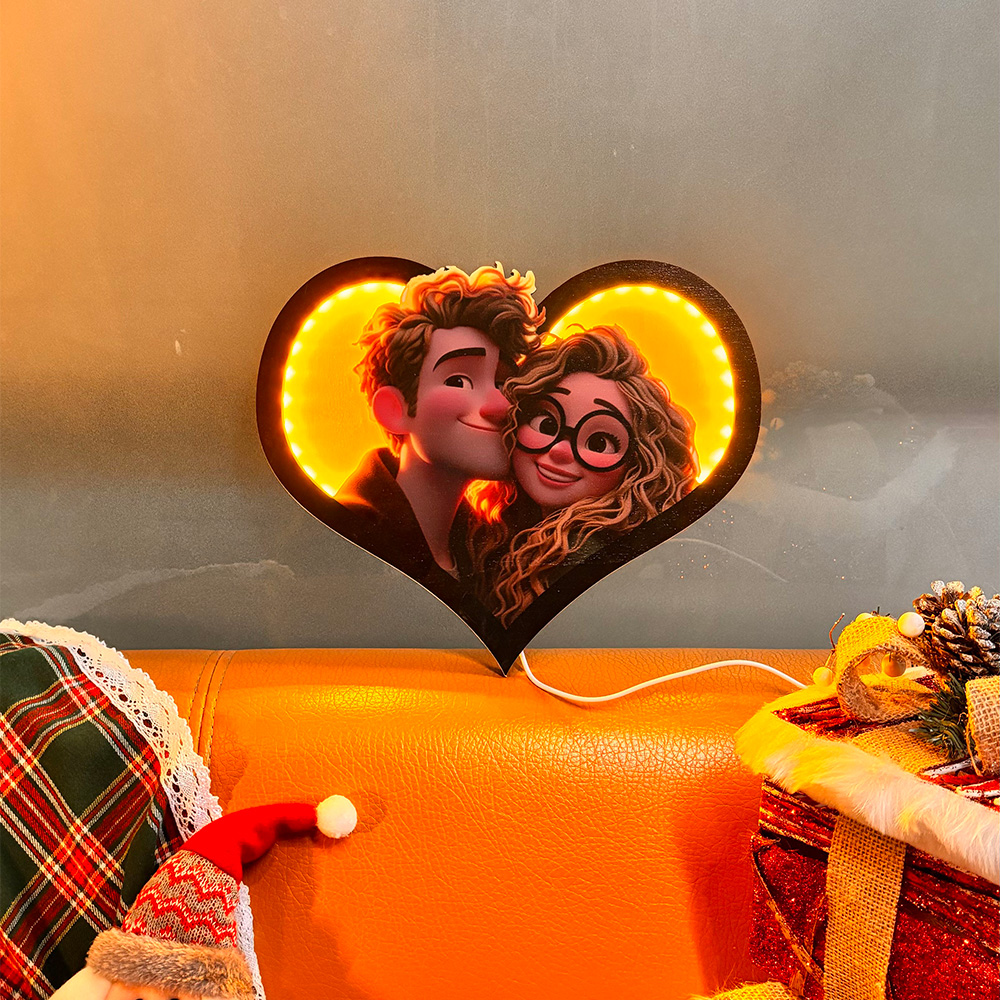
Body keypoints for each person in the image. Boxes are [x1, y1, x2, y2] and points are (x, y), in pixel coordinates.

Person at [471, 325, 699, 625]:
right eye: (546, 424)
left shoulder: (583, 554)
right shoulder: (501, 533)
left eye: (599, 442)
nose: (561, 451)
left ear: (636, 464)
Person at [333, 265, 543, 590]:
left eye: (503, 384)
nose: (501, 406)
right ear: (394, 409)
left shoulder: (488, 548)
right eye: (459, 381)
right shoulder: (345, 538)